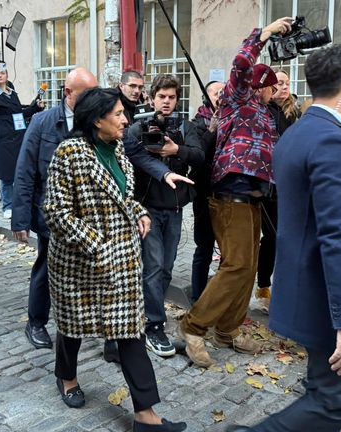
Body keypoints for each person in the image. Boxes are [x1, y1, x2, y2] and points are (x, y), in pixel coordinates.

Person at [227, 43, 341, 432]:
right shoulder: (331, 141)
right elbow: (339, 235)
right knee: (338, 406)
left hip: (311, 291)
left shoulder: (298, 134)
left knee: (324, 394)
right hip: (332, 303)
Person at [43, 87, 186, 432]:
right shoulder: (70, 152)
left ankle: (145, 416)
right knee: (72, 327)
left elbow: (124, 194)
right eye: (119, 114)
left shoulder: (119, 148)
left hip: (121, 261)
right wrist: (98, 246)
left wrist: (138, 211)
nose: (126, 119)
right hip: (78, 263)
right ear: (96, 119)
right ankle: (67, 377)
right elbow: (56, 211)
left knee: (130, 331)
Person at [178, 17, 292, 367]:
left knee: (248, 266)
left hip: (256, 196)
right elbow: (242, 63)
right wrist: (265, 33)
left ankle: (227, 329)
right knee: (237, 264)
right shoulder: (237, 100)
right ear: (262, 86)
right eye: (271, 86)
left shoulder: (266, 113)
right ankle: (193, 326)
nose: (274, 91)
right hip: (231, 194)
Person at [11, 68, 98, 351]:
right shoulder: (42, 122)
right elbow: (24, 171)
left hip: (86, 217)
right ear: (68, 93)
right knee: (47, 268)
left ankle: (81, 321)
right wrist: (20, 219)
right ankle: (36, 322)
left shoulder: (95, 123)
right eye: (87, 94)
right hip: (52, 216)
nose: (93, 100)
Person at [127, 74, 204, 357]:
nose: (167, 102)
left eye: (172, 97)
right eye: (162, 97)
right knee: (154, 265)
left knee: (167, 267)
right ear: (152, 97)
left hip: (173, 208)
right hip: (147, 206)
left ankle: (148, 313)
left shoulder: (185, 126)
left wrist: (176, 149)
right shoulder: (137, 126)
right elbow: (129, 155)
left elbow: (199, 156)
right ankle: (155, 325)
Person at [255, 68, 301, 313]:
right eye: (278, 83)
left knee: (285, 237)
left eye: (285, 83)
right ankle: (263, 286)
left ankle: (280, 288)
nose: (282, 87)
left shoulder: (295, 112)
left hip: (289, 185)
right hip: (269, 185)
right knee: (272, 237)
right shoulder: (266, 111)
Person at [0, 60, 45, 219]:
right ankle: (7, 206)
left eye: (2, 73)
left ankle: (21, 202)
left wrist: (36, 107)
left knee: (21, 170)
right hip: (4, 137)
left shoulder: (11, 92)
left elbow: (18, 114)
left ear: (7, 75)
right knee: (7, 172)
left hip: (19, 134)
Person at [188, 80, 225, 303]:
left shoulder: (233, 120)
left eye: (224, 92)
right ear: (206, 97)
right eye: (216, 93)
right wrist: (212, 129)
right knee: (204, 248)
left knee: (228, 252)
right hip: (205, 194)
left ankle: (219, 297)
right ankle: (197, 298)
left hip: (227, 194)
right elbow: (198, 155)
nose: (221, 96)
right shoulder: (196, 124)